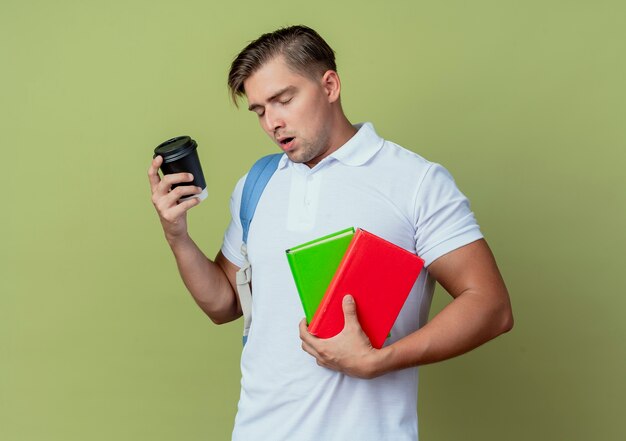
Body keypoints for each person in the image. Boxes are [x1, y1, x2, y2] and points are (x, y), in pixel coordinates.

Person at [148, 25, 513, 441]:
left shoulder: (415, 181)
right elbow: (223, 304)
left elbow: (491, 306)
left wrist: (382, 360)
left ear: (330, 85)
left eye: (284, 100)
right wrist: (176, 234)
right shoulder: (257, 183)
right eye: (260, 110)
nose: (273, 122)